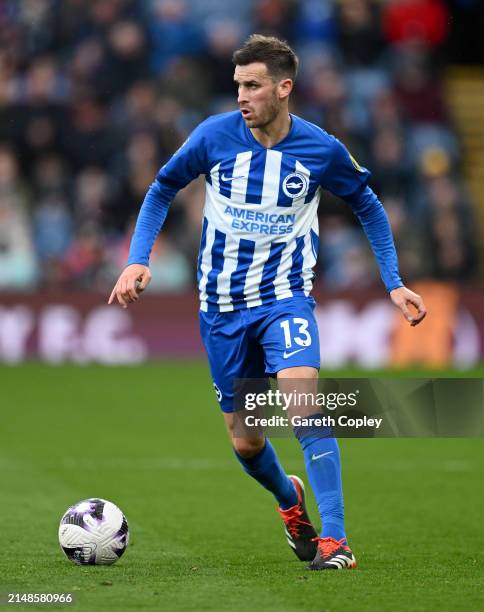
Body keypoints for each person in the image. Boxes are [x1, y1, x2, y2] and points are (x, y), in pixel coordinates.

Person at [108, 35, 426, 570]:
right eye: (237, 85)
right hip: (221, 309)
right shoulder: (213, 136)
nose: (241, 96)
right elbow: (162, 188)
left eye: (252, 85)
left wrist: (392, 280)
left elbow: (368, 206)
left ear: (284, 88)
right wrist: (139, 258)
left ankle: (336, 540)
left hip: (285, 300)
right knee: (246, 443)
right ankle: (289, 501)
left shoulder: (320, 149)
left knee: (305, 406)